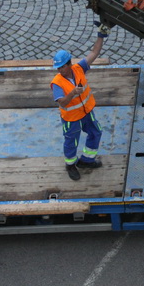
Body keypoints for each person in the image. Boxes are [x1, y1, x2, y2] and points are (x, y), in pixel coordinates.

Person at [50, 23, 111, 181]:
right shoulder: (57, 83)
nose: (60, 70)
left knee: (95, 132)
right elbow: (62, 103)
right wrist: (72, 93)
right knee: (71, 142)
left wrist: (101, 36)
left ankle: (86, 161)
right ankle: (70, 165)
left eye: (62, 67)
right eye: (58, 68)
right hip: (71, 118)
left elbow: (94, 52)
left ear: (69, 64)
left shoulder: (78, 69)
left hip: (86, 112)